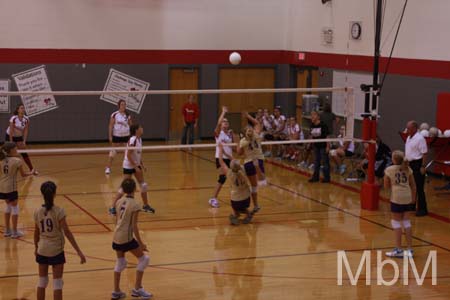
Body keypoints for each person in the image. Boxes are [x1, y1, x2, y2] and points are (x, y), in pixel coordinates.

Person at [34, 181, 86, 300]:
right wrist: (79, 251)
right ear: (54, 194)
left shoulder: (37, 211)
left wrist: (36, 248)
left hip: (42, 250)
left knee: (42, 281)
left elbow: (36, 233)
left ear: (42, 194)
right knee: (57, 283)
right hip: (56, 250)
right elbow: (67, 232)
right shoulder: (59, 211)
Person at [111, 178, 152, 300]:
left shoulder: (118, 202)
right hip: (126, 238)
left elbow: (118, 220)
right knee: (144, 259)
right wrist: (141, 243)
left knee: (121, 262)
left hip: (116, 236)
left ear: (123, 189)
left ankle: (116, 291)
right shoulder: (135, 204)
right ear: (135, 189)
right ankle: (137, 289)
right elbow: (134, 226)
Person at [109, 124, 155, 215]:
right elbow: (128, 154)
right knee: (124, 187)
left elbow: (137, 154)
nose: (142, 129)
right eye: (140, 127)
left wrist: (142, 164)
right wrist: (135, 167)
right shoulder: (133, 139)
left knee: (143, 185)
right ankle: (112, 207)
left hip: (136, 165)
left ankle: (145, 205)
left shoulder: (139, 139)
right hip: (128, 165)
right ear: (136, 130)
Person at [384, 151, 416, 258]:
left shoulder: (389, 170)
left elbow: (386, 186)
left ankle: (398, 249)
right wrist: (413, 199)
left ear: (393, 160)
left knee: (396, 222)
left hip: (397, 197)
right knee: (406, 222)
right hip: (407, 197)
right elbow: (413, 185)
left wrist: (387, 180)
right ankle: (410, 249)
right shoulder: (408, 169)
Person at [0, 142, 34, 238]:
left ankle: (7, 230)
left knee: (8, 206)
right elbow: (23, 175)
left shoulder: (1, 160)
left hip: (2, 187)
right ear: (10, 151)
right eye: (15, 149)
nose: (17, 151)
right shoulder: (17, 161)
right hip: (11, 187)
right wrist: (31, 173)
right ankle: (14, 232)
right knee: (15, 207)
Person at [236, 112, 266, 214]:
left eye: (250, 128)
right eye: (248, 129)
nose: (250, 130)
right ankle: (255, 205)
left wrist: (238, 142)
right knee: (257, 183)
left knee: (255, 184)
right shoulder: (252, 137)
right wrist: (248, 116)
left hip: (252, 161)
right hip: (255, 160)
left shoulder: (246, 139)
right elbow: (257, 123)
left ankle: (255, 204)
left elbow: (239, 153)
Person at [217, 144, 253, 225]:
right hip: (247, 198)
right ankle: (248, 213)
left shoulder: (230, 174)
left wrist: (220, 149)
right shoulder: (242, 169)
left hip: (237, 200)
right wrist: (225, 153)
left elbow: (221, 161)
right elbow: (234, 162)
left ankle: (234, 216)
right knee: (241, 206)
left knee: (235, 206)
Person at [209, 106, 234, 208]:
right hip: (220, 158)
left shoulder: (230, 134)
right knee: (223, 177)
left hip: (229, 158)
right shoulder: (219, 133)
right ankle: (213, 198)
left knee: (232, 177)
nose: (225, 123)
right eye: (224, 122)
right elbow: (218, 124)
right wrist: (223, 112)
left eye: (226, 122)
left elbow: (234, 148)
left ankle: (236, 196)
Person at [6, 104, 38, 175]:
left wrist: (24, 141)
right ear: (18, 110)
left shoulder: (26, 119)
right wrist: (11, 142)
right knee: (9, 153)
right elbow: (11, 130)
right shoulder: (14, 118)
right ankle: (7, 170)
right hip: (10, 136)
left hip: (19, 137)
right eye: (21, 108)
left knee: (24, 152)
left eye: (23, 108)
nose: (23, 109)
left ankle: (32, 169)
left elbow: (26, 130)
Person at [405, 120, 428, 216]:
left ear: (414, 128)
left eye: (409, 128)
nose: (407, 130)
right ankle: (412, 204)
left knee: (419, 187)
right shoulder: (409, 137)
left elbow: (424, 153)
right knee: (411, 186)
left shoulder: (420, 138)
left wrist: (423, 166)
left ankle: (423, 209)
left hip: (417, 164)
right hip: (409, 164)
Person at [105, 99, 132, 175]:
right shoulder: (114, 114)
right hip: (116, 135)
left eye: (124, 104)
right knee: (113, 152)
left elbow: (131, 126)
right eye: (122, 104)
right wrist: (110, 136)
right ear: (119, 106)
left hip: (126, 136)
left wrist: (132, 136)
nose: (123, 106)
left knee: (126, 152)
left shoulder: (128, 115)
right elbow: (110, 125)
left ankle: (127, 167)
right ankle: (108, 167)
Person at [308, 111, 330, 183]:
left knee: (325, 162)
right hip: (316, 146)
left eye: (314, 115)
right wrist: (309, 144)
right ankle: (315, 177)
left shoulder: (323, 125)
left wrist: (327, 146)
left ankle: (326, 178)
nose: (312, 117)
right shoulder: (312, 125)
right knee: (316, 162)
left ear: (318, 116)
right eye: (311, 115)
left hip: (323, 146)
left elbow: (327, 136)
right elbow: (311, 135)